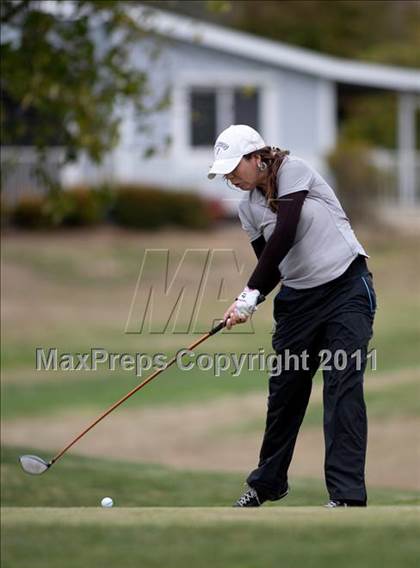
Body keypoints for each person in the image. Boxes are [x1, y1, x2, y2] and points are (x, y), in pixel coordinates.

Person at [207, 124, 377, 508]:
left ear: (257, 157)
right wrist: (248, 299)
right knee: (285, 394)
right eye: (225, 172)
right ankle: (267, 484)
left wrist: (249, 292)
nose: (231, 177)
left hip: (346, 289)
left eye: (236, 166)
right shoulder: (246, 208)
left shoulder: (294, 171)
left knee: (342, 386)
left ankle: (347, 496)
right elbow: (273, 266)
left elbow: (285, 230)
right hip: (298, 304)